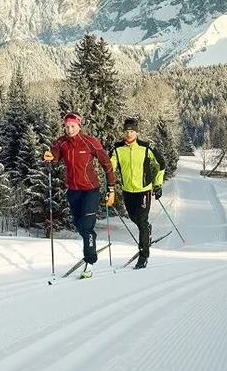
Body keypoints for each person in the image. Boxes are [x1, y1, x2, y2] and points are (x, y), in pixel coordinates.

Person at [48, 112, 115, 278]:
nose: (70, 129)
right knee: (79, 225)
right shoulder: (60, 143)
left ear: (79, 126)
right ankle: (90, 240)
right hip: (73, 191)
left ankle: (89, 262)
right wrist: (48, 159)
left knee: (86, 226)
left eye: (73, 126)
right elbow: (54, 161)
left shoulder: (90, 142)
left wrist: (111, 189)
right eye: (67, 126)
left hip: (91, 190)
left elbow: (106, 164)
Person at [110, 117, 168, 268]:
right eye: (126, 131)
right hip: (127, 190)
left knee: (142, 220)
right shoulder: (117, 149)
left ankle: (143, 255)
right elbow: (110, 168)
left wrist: (158, 184)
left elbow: (160, 164)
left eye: (132, 131)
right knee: (133, 217)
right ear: (123, 133)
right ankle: (147, 229)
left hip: (143, 190)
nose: (129, 134)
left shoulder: (146, 147)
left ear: (137, 132)